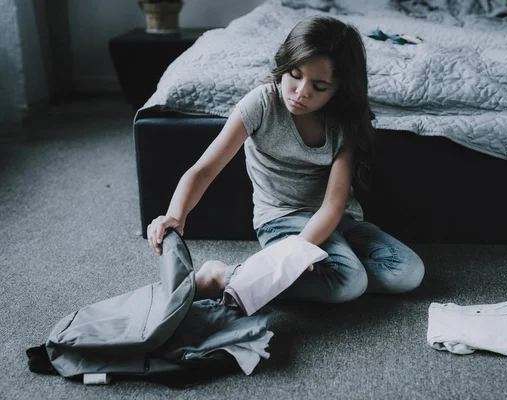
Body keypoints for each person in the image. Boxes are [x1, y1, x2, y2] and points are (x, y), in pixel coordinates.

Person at [147, 16, 425, 302]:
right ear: (284, 66)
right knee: (348, 282)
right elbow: (203, 170)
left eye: (319, 87)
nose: (301, 92)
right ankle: (221, 277)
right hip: (283, 218)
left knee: (408, 272)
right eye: (294, 74)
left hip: (337, 219)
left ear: (339, 89)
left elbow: (334, 204)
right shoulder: (262, 103)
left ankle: (267, 275)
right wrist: (175, 215)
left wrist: (299, 251)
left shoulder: (345, 123)